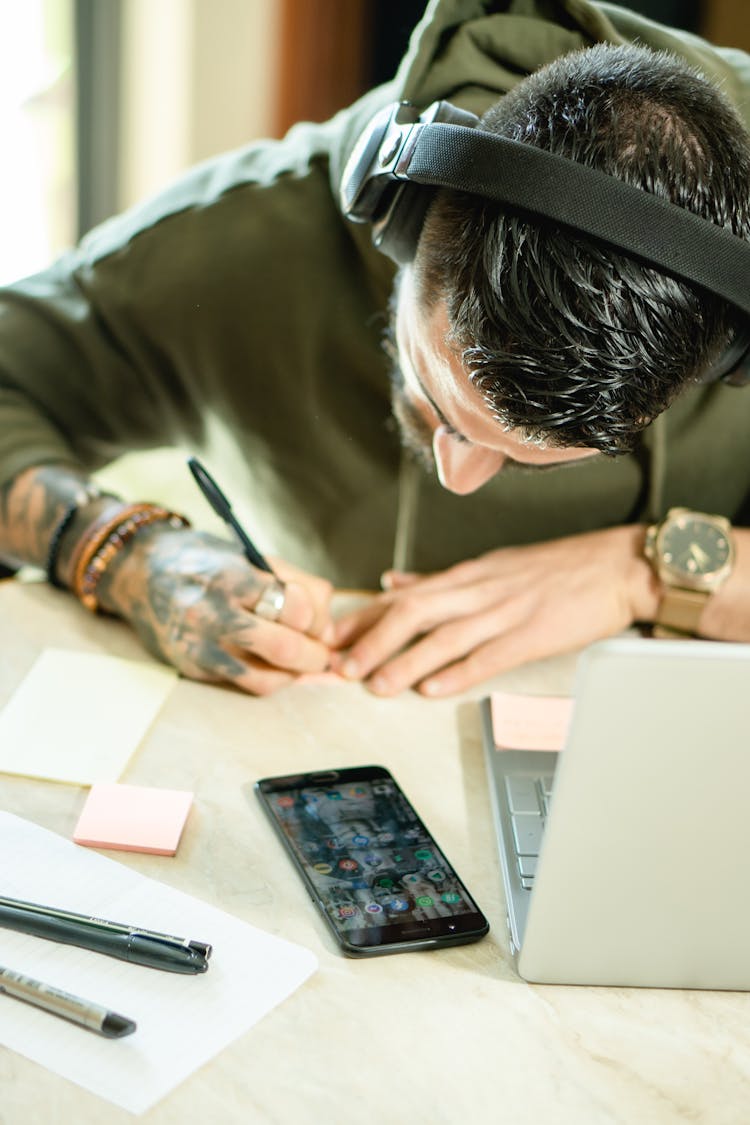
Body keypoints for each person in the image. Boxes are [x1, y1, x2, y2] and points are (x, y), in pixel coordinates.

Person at [0, 0, 749, 698]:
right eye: (439, 400)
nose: (460, 477)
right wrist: (124, 551)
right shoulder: (235, 242)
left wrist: (647, 571)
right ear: (401, 212)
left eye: (523, 458)